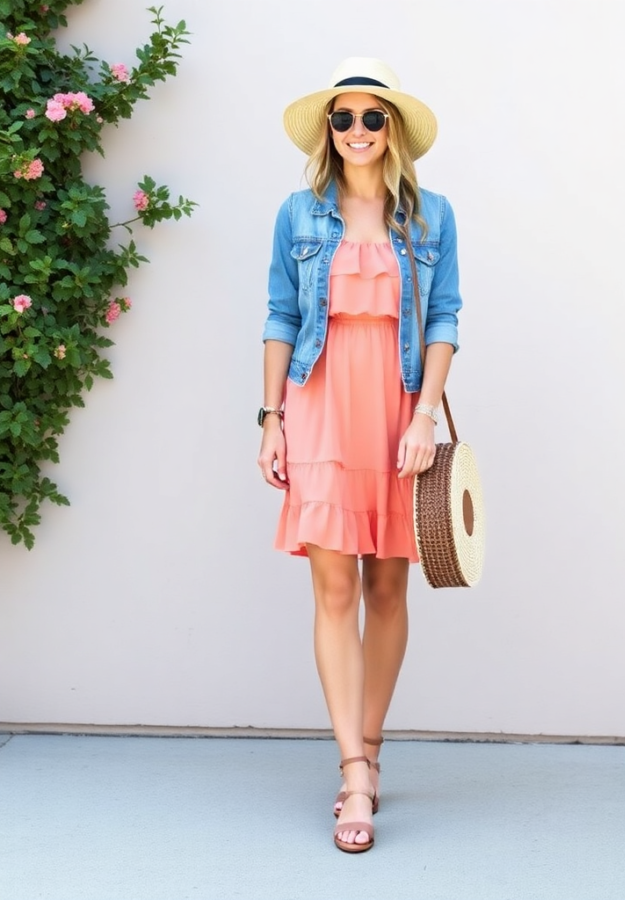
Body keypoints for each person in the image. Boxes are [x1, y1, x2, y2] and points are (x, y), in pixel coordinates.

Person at [257, 57, 462, 853]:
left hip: (393, 411)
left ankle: (371, 750)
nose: (356, 132)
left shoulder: (432, 216)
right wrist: (270, 418)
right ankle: (351, 770)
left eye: (371, 117)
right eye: (341, 119)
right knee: (333, 586)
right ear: (327, 132)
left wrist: (422, 419)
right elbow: (279, 313)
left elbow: (443, 318)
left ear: (394, 129)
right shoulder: (299, 215)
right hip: (317, 405)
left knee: (387, 586)